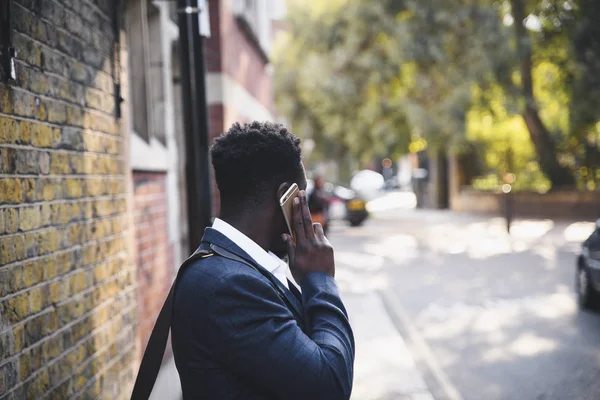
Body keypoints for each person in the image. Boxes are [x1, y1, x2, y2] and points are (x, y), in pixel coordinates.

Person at [171, 122, 355, 400]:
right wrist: (322, 280)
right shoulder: (229, 285)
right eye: (300, 196)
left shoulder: (235, 267)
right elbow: (330, 385)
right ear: (285, 196)